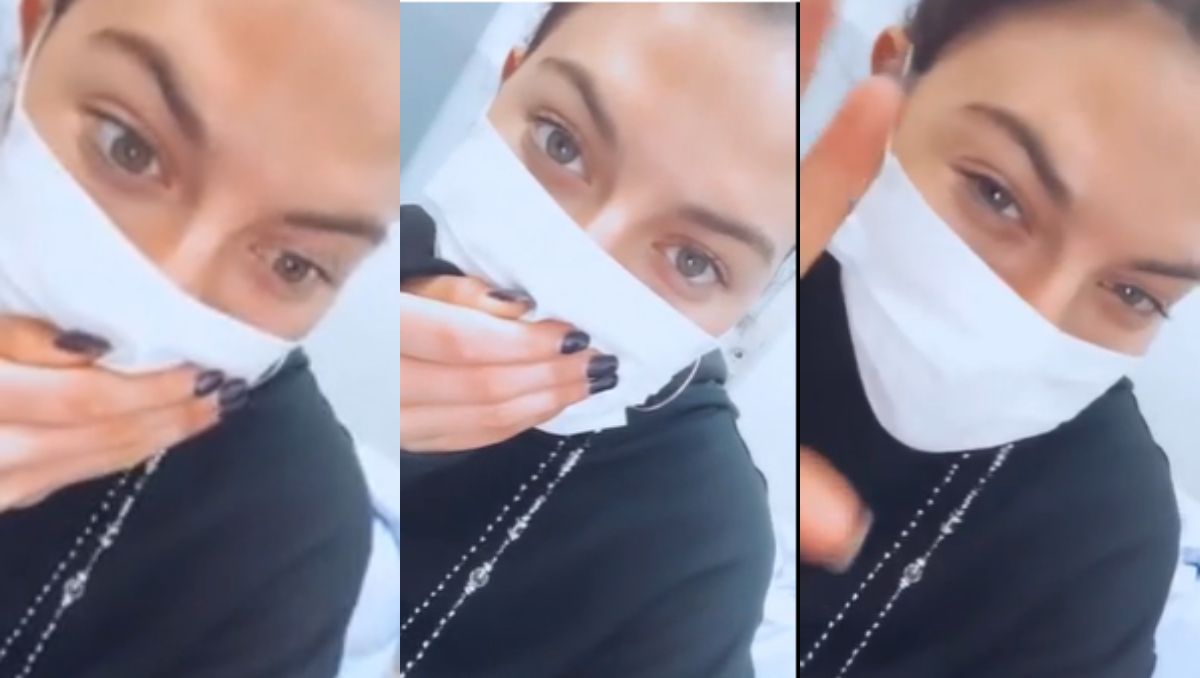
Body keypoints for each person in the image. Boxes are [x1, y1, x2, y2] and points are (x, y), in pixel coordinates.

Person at [0, 0, 399, 676]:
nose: (154, 298)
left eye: (291, 264)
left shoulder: (288, 531)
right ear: (37, 25)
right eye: (127, 147)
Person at [798, 0, 1196, 675]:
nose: (1033, 322)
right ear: (896, 77)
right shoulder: (695, 289)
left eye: (1135, 295)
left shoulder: (1108, 533)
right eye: (997, 195)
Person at [398, 3, 795, 677]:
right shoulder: (319, 277)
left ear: (746, 307)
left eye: (693, 262)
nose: (574, 264)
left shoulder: (701, 541)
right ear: (508, 80)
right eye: (561, 144)